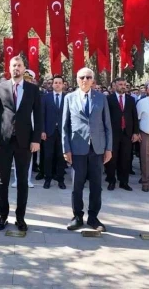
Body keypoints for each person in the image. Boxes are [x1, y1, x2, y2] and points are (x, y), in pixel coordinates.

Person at [0, 56, 42, 232]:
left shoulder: (33, 89)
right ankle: (3, 216)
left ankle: (20, 218)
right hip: (3, 141)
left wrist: (35, 140)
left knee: (22, 182)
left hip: (25, 142)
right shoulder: (1, 86)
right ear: (9, 68)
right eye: (13, 65)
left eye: (19, 65)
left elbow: (39, 116)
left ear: (24, 68)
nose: (16, 68)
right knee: (2, 181)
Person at [63, 67, 112, 232]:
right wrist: (66, 148)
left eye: (88, 77)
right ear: (77, 79)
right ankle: (77, 216)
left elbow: (107, 125)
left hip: (97, 148)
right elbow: (65, 127)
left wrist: (109, 148)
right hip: (77, 148)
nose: (85, 80)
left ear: (93, 80)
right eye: (82, 77)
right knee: (77, 186)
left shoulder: (101, 98)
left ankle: (93, 217)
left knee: (96, 186)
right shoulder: (69, 98)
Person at [105, 77, 138, 191]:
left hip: (127, 133)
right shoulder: (108, 99)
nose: (123, 86)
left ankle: (124, 182)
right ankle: (111, 181)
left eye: (124, 84)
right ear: (114, 85)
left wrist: (135, 132)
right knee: (112, 159)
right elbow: (105, 117)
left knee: (125, 158)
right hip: (113, 133)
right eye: (120, 84)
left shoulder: (131, 100)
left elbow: (134, 117)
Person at [11, 69, 38, 189]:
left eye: (29, 79)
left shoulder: (34, 91)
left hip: (30, 129)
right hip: (17, 128)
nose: (27, 81)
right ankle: (17, 179)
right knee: (16, 158)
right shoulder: (16, 89)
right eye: (25, 79)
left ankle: (27, 179)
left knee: (29, 158)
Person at [41, 75, 67, 189]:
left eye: (59, 82)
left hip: (63, 132)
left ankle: (61, 179)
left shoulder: (68, 98)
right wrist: (42, 130)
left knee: (61, 157)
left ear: (63, 85)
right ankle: (47, 179)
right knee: (48, 157)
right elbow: (41, 115)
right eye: (55, 82)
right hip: (48, 132)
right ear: (52, 84)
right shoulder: (46, 97)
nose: (57, 84)